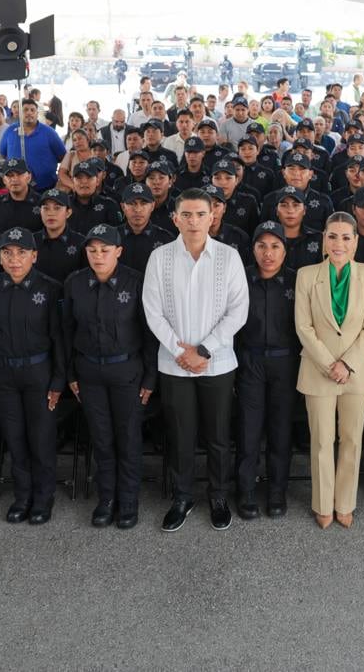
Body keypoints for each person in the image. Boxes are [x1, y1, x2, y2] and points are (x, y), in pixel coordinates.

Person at [142, 189, 250, 532]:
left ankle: (218, 495)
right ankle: (183, 496)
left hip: (216, 363)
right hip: (174, 363)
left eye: (200, 214)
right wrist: (180, 351)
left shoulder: (228, 257)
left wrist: (203, 350)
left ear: (212, 217)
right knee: (180, 433)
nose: (193, 221)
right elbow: (152, 311)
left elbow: (239, 310)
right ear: (175, 218)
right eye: (186, 215)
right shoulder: (159, 257)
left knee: (218, 435)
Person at [61, 224, 157, 528]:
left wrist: (150, 378)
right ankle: (107, 499)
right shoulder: (75, 283)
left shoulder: (136, 282)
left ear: (119, 251)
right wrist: (71, 373)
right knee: (101, 438)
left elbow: (149, 333)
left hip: (127, 371)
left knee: (127, 437)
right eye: (92, 250)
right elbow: (65, 331)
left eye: (105, 250)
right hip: (89, 371)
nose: (98, 256)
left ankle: (128, 500)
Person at [293, 212, 364, 529]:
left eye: (346, 237)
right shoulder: (306, 275)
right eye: (333, 236)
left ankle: (344, 502)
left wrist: (347, 363)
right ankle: (322, 503)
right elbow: (303, 326)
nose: (339, 243)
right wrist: (330, 363)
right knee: (321, 440)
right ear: (324, 241)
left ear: (356, 241)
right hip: (319, 369)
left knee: (352, 439)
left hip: (357, 371)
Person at [0, 228, 66, 525]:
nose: (15, 259)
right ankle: (23, 495)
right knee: (14, 438)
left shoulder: (50, 288)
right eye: (7, 253)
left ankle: (43, 497)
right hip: (2, 373)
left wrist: (57, 381)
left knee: (40, 438)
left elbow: (59, 339)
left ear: (34, 256)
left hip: (38, 372)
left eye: (21, 253)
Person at [232, 222, 301, 520]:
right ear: (253, 249)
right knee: (248, 429)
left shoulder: (297, 281)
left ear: (285, 251)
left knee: (280, 431)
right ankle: (246, 491)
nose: (268, 253)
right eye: (262, 246)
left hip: (285, 363)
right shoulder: (241, 279)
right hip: (250, 361)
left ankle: (277, 491)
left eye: (275, 247)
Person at [0, 100, 67, 191]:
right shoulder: (10, 131)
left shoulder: (49, 132)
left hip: (45, 187)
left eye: (32, 110)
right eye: (25, 110)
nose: (29, 113)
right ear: (20, 113)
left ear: (37, 114)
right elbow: (3, 153)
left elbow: (62, 156)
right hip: (17, 187)